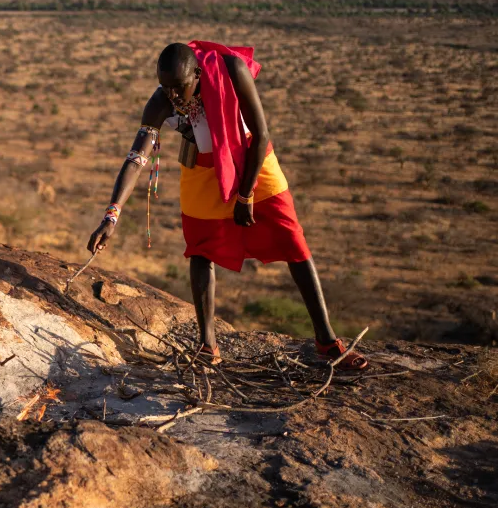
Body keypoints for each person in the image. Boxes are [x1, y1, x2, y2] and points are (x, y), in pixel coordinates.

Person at [87, 41, 367, 370]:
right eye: (166, 88)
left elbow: (261, 133)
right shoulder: (162, 101)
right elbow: (136, 159)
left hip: (253, 161)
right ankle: (207, 346)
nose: (174, 97)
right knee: (200, 250)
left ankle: (327, 341)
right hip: (201, 170)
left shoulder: (233, 71)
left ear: (198, 74)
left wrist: (245, 195)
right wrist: (112, 215)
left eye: (180, 88)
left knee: (293, 241)